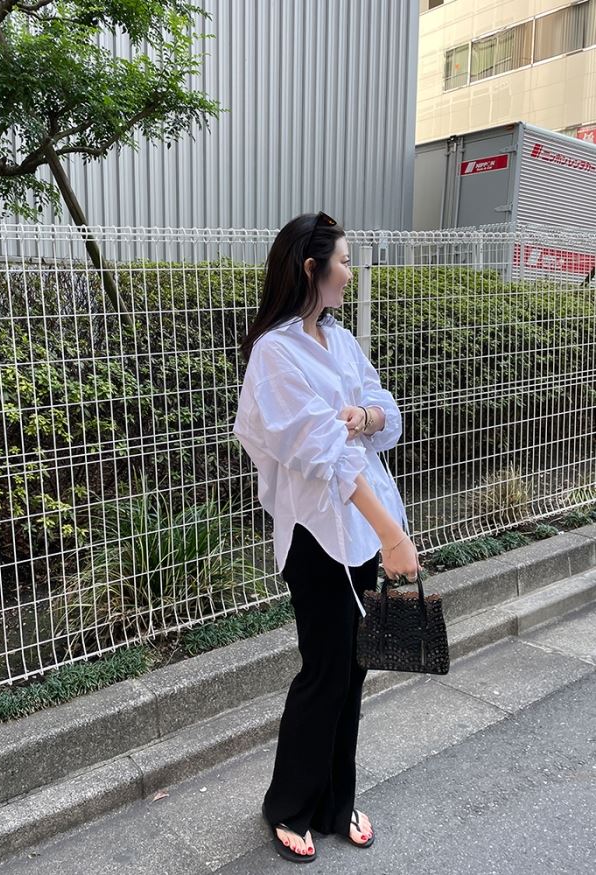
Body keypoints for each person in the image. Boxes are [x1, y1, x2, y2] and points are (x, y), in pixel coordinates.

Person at [232, 212, 421, 864]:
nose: (349, 271)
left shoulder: (338, 340)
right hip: (318, 536)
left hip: (363, 529)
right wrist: (394, 536)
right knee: (325, 673)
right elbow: (326, 455)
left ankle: (337, 802)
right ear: (312, 269)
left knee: (355, 669)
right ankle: (289, 805)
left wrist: (363, 415)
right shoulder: (275, 353)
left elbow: (386, 414)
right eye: (342, 260)